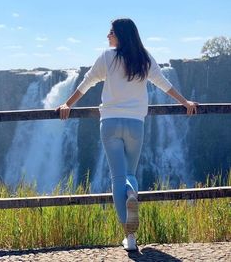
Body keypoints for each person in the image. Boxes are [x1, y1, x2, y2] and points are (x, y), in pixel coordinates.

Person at [56, 18, 198, 251]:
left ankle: (129, 237)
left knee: (117, 178)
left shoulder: (107, 57)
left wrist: (67, 104)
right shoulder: (144, 59)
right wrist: (185, 102)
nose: (108, 36)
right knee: (130, 174)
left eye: (111, 32)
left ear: (121, 34)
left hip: (110, 124)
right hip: (135, 125)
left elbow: (87, 82)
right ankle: (131, 199)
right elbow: (164, 84)